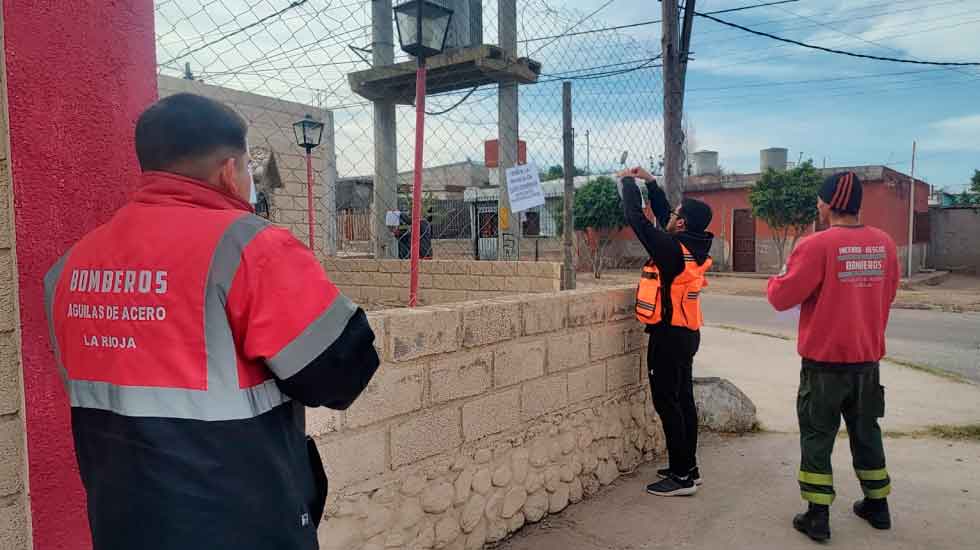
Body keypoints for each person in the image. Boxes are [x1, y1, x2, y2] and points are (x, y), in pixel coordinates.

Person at [43, 93, 380, 550]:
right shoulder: (251, 249)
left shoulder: (67, 269)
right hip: (243, 525)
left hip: (122, 524)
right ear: (229, 171)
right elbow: (341, 375)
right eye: (247, 171)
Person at [767, 171, 899, 543]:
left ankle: (817, 516)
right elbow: (887, 295)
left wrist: (776, 279)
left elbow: (782, 298)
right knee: (867, 432)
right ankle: (878, 506)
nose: (817, 205)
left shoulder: (816, 245)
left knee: (817, 436)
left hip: (824, 365)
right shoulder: (885, 244)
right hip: (866, 362)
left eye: (819, 200)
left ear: (828, 204)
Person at [618, 167, 714, 497]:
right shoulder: (692, 245)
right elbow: (662, 216)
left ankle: (681, 478)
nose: (670, 216)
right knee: (684, 400)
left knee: (667, 403)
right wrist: (651, 182)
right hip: (687, 334)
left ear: (682, 223)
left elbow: (638, 219)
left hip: (669, 337)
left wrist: (626, 182)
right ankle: (690, 468)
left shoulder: (671, 251)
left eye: (676, 214)